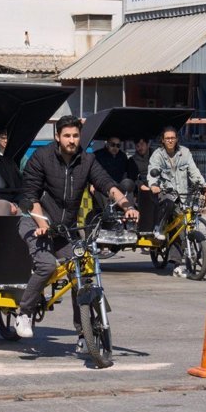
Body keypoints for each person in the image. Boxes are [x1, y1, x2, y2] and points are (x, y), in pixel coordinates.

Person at [16, 115, 139, 339]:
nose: (72, 140)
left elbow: (106, 184)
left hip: (64, 229)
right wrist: (43, 225)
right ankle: (24, 312)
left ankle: (84, 330)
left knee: (81, 267)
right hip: (36, 221)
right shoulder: (42, 157)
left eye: (75, 135)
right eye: (67, 136)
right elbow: (31, 194)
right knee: (46, 265)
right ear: (57, 137)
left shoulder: (87, 160)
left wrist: (126, 205)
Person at [147, 126, 206, 276]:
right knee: (169, 205)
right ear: (163, 140)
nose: (170, 140)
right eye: (167, 138)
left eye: (173, 138)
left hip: (183, 194)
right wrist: (153, 185)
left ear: (176, 139)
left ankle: (178, 263)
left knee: (182, 226)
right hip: (166, 192)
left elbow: (193, 171)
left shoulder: (185, 153)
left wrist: (203, 185)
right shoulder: (157, 155)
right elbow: (153, 171)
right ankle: (159, 227)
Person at [92, 136, 137, 213]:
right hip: (102, 187)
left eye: (118, 145)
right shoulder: (98, 155)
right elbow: (92, 171)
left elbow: (128, 173)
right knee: (105, 212)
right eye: (113, 144)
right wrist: (91, 184)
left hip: (119, 186)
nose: (115, 147)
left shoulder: (122, 156)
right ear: (107, 144)